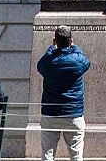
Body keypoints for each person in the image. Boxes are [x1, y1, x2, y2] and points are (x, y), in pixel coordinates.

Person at [38, 26, 92, 161]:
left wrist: (52, 48)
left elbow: (40, 65)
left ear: (55, 41)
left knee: (47, 155)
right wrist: (73, 46)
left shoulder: (49, 61)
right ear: (70, 41)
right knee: (76, 156)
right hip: (73, 113)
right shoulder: (77, 60)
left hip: (51, 113)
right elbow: (85, 60)